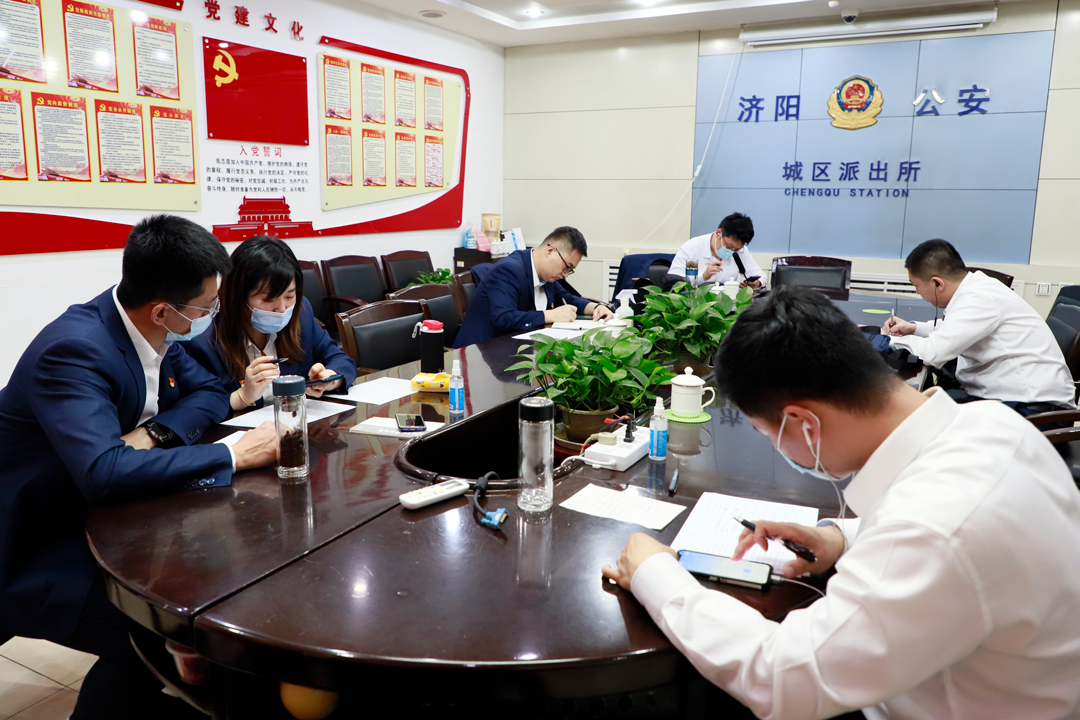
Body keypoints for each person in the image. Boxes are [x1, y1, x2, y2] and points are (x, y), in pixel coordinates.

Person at [603, 286, 1080, 720]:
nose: (774, 446)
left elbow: (781, 679)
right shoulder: (992, 422)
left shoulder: (932, 528)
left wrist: (654, 573)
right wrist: (840, 537)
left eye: (767, 433)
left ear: (804, 423)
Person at [0, 215, 278, 719]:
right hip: (34, 537)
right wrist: (234, 455)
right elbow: (104, 473)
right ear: (163, 310)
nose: (212, 315)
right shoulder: (74, 351)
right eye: (207, 307)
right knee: (152, 634)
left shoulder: (154, 330)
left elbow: (211, 392)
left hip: (101, 513)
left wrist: (153, 435)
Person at [885, 239, 1075, 414]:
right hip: (1015, 398)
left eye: (916, 285)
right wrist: (914, 328)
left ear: (937, 283)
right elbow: (958, 328)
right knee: (927, 408)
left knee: (919, 416)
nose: (917, 292)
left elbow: (933, 353)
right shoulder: (977, 287)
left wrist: (885, 339)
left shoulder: (979, 299)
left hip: (1031, 409)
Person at [182, 236, 357, 409]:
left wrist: (328, 378)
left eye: (289, 296)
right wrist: (243, 396)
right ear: (238, 296)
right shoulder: (202, 336)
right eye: (268, 299)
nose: (281, 308)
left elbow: (341, 360)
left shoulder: (301, 314)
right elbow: (194, 405)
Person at [453, 226, 614, 347]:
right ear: (550, 250)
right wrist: (549, 315)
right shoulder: (509, 270)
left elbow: (567, 298)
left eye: (570, 271)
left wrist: (596, 308)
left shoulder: (547, 276)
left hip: (518, 347)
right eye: (566, 267)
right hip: (481, 351)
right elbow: (503, 318)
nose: (565, 274)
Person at [668, 212, 766, 289]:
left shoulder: (741, 251)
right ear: (719, 233)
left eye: (736, 249)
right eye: (729, 246)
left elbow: (761, 276)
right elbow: (673, 281)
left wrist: (757, 283)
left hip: (726, 302)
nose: (732, 251)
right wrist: (703, 277)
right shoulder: (692, 248)